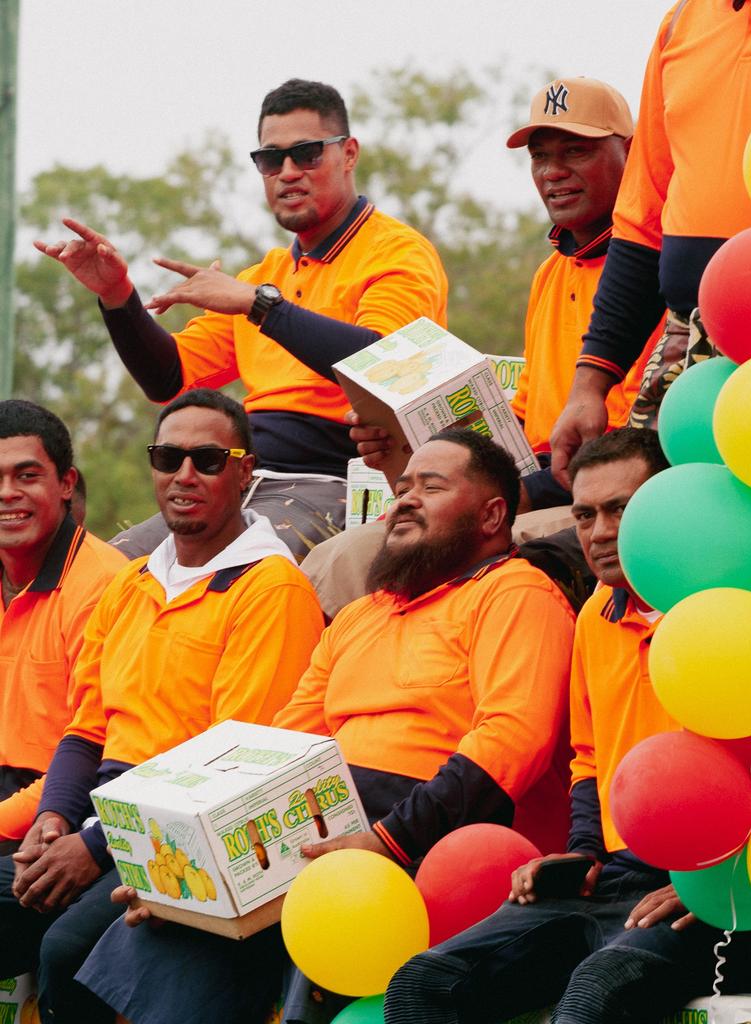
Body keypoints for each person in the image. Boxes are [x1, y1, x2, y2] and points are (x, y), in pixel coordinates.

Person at [76, 427, 576, 1024]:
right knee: (155, 931)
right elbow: (278, 750)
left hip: (437, 834)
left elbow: (510, 742)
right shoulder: (362, 614)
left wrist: (387, 839)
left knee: (314, 929)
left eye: (432, 486)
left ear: (493, 514)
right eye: (405, 485)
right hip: (321, 820)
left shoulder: (516, 591)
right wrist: (190, 872)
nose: (406, 498)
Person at [383, 427, 751, 1024]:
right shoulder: (595, 613)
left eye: (622, 509)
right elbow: (588, 758)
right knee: (423, 983)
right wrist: (582, 855)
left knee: (594, 994)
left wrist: (722, 882)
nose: (601, 532)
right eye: (585, 515)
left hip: (725, 886)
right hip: (616, 873)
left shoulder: (741, 610)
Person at [0, 388, 324, 1024]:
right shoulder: (134, 581)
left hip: (191, 829)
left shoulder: (270, 589)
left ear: (244, 470)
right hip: (100, 813)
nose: (184, 475)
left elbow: (227, 762)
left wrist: (92, 847)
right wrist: (57, 819)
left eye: (207, 458)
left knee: (67, 951)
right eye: (167, 456)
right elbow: (87, 727)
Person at [33, 78, 448, 558]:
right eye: (272, 159)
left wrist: (259, 306)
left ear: (349, 153)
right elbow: (168, 378)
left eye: (308, 153)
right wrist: (116, 296)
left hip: (339, 478)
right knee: (104, 571)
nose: (288, 172)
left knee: (242, 567)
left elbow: (384, 367)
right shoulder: (263, 275)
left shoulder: (397, 252)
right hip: (239, 478)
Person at [350, 76, 660, 512]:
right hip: (532, 483)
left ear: (630, 151)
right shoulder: (550, 272)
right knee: (359, 548)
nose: (553, 171)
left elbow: (638, 439)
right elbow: (523, 421)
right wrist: (408, 446)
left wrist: (521, 493)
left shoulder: (656, 265)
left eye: (576, 150)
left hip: (606, 498)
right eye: (540, 157)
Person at [550, 0, 751, 484]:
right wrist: (589, 388)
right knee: (649, 500)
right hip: (693, 334)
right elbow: (643, 219)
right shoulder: (680, 22)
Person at [0, 400, 126, 856]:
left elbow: (91, 748)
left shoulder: (103, 584)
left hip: (61, 808)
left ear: (67, 484)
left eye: (26, 476)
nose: (7, 492)